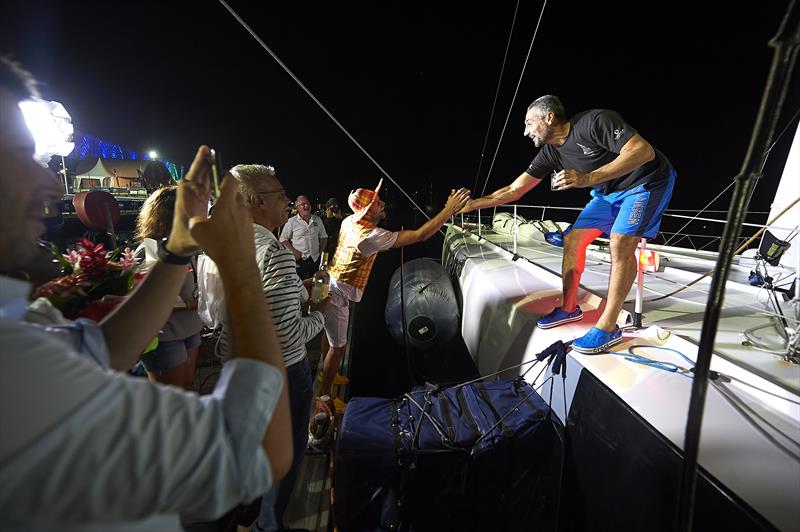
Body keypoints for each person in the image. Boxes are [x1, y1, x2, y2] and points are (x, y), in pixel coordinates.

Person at [0, 56, 291, 530]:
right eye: (18, 153)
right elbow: (256, 448)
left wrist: (178, 252)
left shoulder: (17, 328)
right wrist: (240, 267)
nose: (50, 182)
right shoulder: (13, 368)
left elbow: (100, 349)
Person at [462, 95, 676, 353]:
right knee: (573, 240)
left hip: (646, 184)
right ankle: (568, 308)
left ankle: (608, 327)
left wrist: (588, 178)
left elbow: (643, 151)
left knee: (620, 244)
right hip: (607, 192)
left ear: (549, 118)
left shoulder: (595, 121)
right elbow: (514, 189)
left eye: (529, 123)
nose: (525, 131)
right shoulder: (550, 153)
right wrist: (474, 204)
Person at [199, 164, 328, 532]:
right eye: (281, 196)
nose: (287, 202)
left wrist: (291, 284)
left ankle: (243, 514)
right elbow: (286, 336)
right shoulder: (275, 253)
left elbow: (210, 312)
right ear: (257, 201)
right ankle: (267, 526)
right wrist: (321, 311)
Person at [320, 179, 470, 410]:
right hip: (338, 295)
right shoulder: (371, 236)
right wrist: (448, 210)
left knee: (330, 338)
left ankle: (325, 373)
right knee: (338, 347)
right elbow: (420, 235)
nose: (382, 204)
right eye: (377, 203)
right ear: (368, 212)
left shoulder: (349, 221)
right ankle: (325, 396)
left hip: (332, 282)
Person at [134, 185, 204, 390]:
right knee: (173, 395)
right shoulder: (151, 248)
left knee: (188, 386)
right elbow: (149, 297)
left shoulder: (186, 245)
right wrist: (192, 303)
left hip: (190, 327)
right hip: (164, 335)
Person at [280, 194, 328, 279]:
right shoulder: (292, 221)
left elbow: (324, 237)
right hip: (300, 259)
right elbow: (283, 239)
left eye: (308, 203)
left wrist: (321, 251)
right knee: (299, 283)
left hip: (315, 259)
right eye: (302, 204)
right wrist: (294, 252)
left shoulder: (317, 219)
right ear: (297, 207)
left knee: (315, 284)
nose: (306, 206)